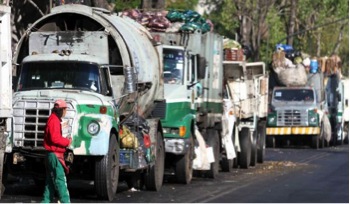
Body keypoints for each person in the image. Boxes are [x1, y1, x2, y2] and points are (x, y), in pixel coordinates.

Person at [41, 99, 72, 203]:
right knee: (60, 180)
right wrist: (67, 142)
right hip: (55, 155)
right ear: (62, 110)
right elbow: (55, 138)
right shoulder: (54, 120)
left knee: (50, 181)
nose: (65, 112)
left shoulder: (53, 119)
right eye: (65, 109)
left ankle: (45, 201)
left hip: (51, 155)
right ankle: (65, 202)